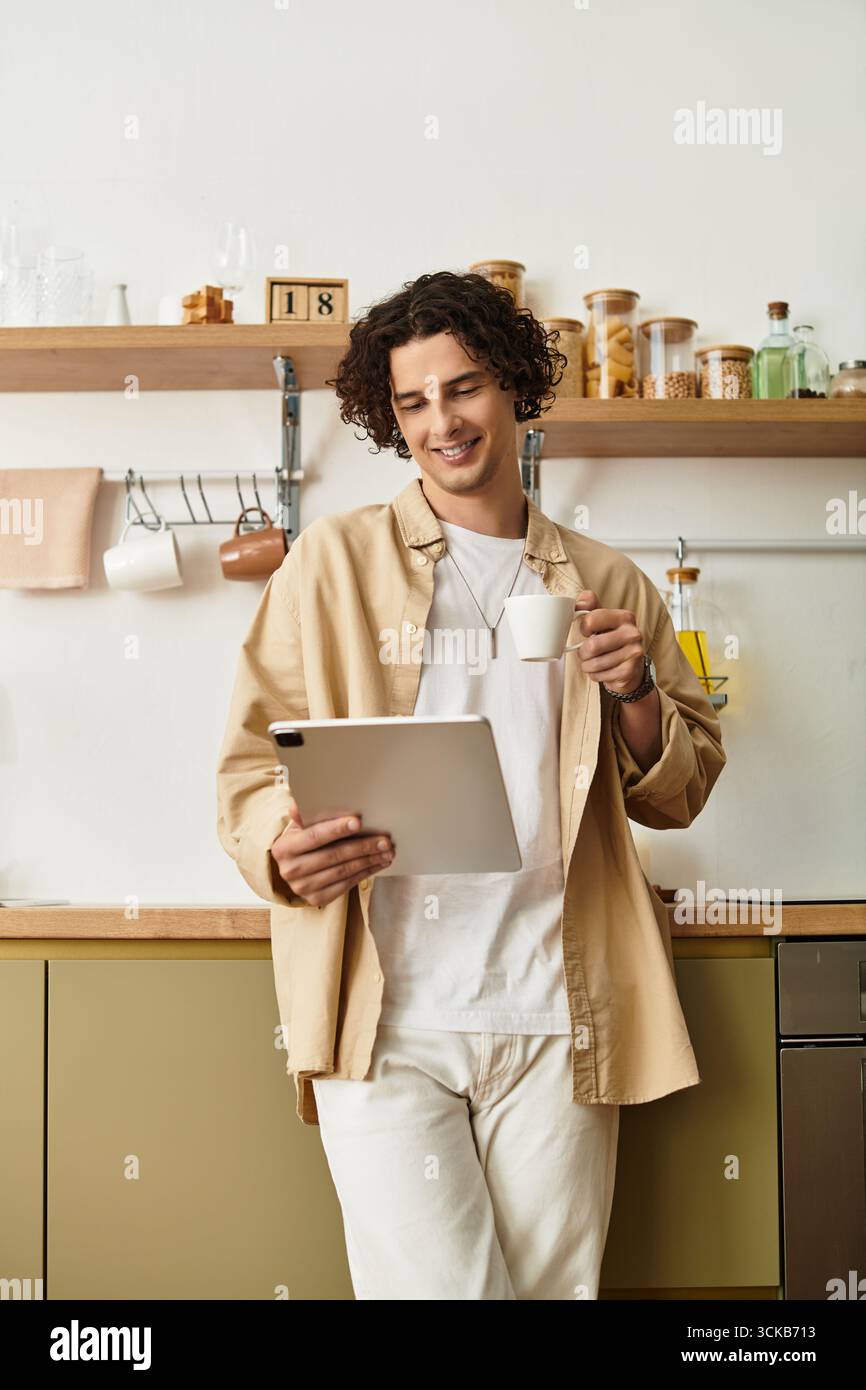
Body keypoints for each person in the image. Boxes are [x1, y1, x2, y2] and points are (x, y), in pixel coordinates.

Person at [216, 269, 726, 1300]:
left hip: (555, 1010)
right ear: (389, 416)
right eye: (412, 401)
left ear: (513, 389)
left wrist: (631, 688)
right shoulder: (330, 564)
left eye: (463, 388)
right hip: (388, 1011)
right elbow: (248, 765)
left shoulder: (604, 578)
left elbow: (679, 785)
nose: (441, 421)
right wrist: (283, 841)